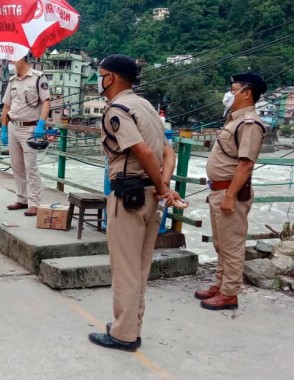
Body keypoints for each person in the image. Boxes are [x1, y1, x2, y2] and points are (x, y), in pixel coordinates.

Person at [87, 54, 180, 352]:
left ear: (110, 77)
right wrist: (163, 187)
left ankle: (123, 334)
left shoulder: (118, 109)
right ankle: (132, 326)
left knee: (125, 268)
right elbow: (168, 152)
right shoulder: (147, 107)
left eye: (100, 74)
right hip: (150, 196)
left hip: (129, 196)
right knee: (140, 268)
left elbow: (143, 152)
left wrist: (162, 186)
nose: (99, 80)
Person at [195, 72, 267, 310]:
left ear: (246, 93)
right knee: (220, 243)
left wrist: (229, 196)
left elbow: (246, 164)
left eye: (233, 88)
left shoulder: (250, 123)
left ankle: (229, 293)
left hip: (230, 193)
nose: (229, 93)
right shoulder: (234, 120)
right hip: (219, 190)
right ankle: (220, 283)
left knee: (232, 244)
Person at [0, 54, 51, 216]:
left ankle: (34, 202)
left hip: (30, 128)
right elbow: (6, 106)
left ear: (21, 59)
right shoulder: (12, 81)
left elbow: (47, 102)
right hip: (13, 126)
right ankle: (21, 198)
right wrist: (3, 128)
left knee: (31, 166)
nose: (10, 63)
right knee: (16, 165)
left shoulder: (38, 77)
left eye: (12, 60)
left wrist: (41, 123)